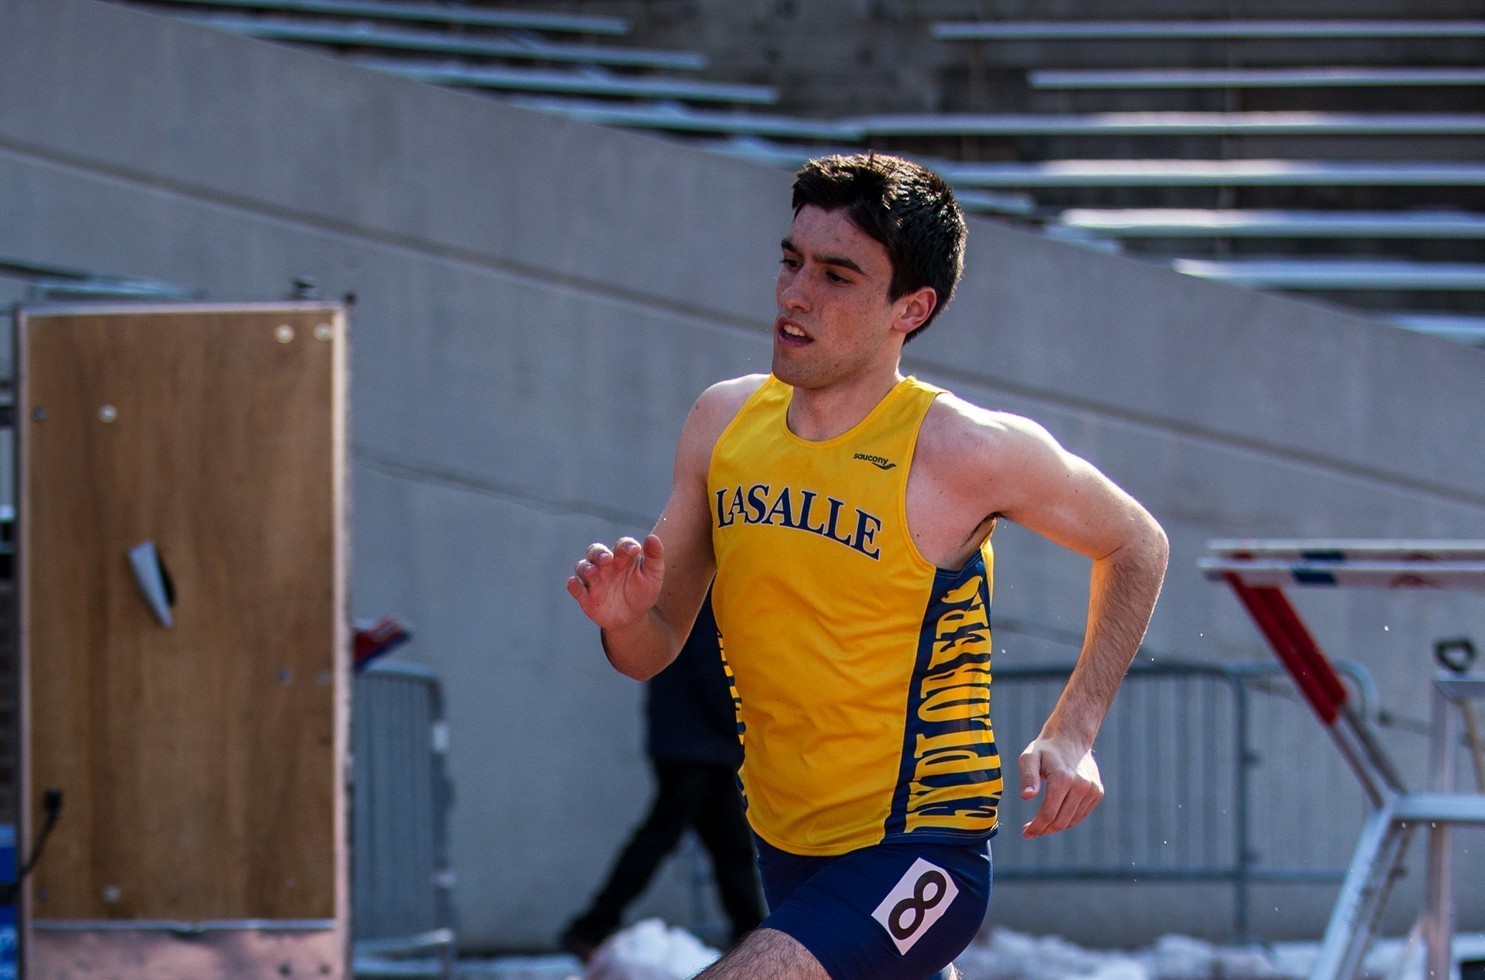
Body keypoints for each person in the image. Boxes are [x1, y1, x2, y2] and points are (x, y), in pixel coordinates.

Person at [567, 152, 1168, 980]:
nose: (794, 294)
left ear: (909, 309)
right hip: (785, 843)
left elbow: (1134, 541)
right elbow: (653, 648)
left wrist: (1074, 729)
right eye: (790, 261)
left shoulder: (962, 451)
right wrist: (625, 618)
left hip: (922, 850)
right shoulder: (723, 421)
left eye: (837, 276)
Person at [559, 591, 764, 959]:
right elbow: (710, 669)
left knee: (726, 847)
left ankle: (750, 939)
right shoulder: (705, 587)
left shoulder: (694, 584)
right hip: (694, 744)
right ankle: (590, 927)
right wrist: (743, 726)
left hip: (694, 743)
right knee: (666, 838)